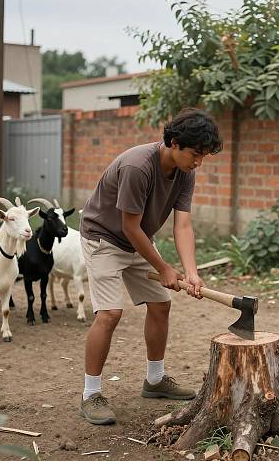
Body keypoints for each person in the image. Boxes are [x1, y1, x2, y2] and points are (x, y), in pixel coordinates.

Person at [78, 107, 223, 424]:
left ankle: (154, 381)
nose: (198, 162)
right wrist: (164, 268)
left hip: (137, 239)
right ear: (173, 142)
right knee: (110, 313)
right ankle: (91, 394)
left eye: (204, 156)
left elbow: (182, 226)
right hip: (103, 237)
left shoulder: (186, 172)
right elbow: (129, 226)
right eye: (195, 154)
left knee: (160, 305)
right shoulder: (137, 167)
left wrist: (192, 272)